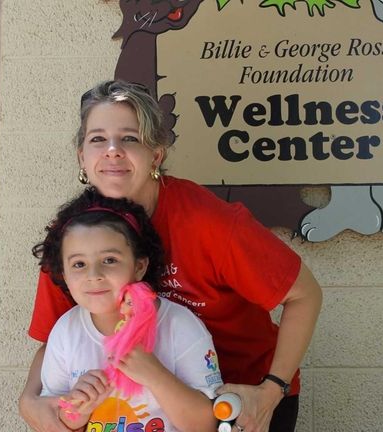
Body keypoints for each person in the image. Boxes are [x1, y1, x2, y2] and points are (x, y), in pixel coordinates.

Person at [19, 80, 323, 432]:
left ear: (157, 155)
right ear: (82, 156)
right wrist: (29, 400)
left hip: (240, 397)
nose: (113, 150)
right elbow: (54, 335)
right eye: (98, 139)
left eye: (130, 138)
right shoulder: (74, 236)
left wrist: (271, 391)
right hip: (138, 411)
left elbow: (305, 295)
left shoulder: (209, 223)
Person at [34, 190, 221, 431]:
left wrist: (155, 375)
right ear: (64, 275)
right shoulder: (65, 332)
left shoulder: (179, 324)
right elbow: (56, 420)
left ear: (140, 266)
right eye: (79, 264)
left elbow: (207, 424)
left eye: (110, 260)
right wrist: (79, 408)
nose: (94, 276)